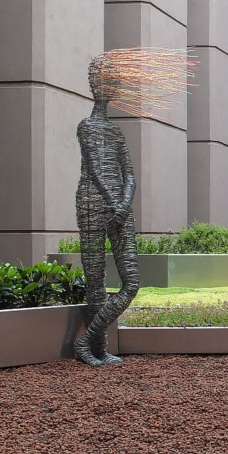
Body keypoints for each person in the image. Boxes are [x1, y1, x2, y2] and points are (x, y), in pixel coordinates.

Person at [73, 53, 140, 365]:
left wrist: (124, 204)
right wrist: (113, 202)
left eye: (113, 84)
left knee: (131, 282)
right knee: (96, 279)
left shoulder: (116, 132)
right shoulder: (87, 127)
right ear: (95, 87)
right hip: (93, 205)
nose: (110, 88)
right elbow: (97, 169)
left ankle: (86, 341)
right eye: (106, 83)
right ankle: (98, 349)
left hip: (119, 210)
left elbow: (129, 174)